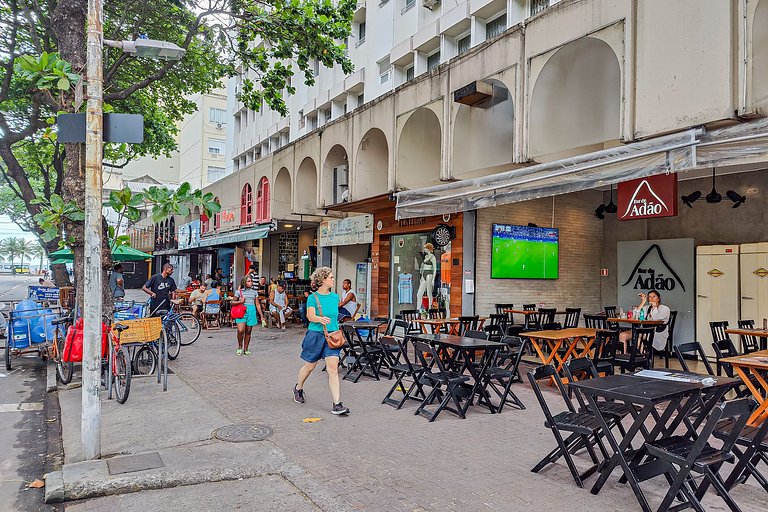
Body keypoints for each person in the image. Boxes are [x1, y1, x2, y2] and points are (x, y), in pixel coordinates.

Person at [292, 267, 349, 415]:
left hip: (333, 336)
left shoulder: (335, 297)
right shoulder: (313, 298)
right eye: (330, 277)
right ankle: (298, 388)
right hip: (316, 335)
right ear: (322, 280)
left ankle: (337, 404)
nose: (333, 279)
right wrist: (320, 319)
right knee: (309, 367)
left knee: (333, 369)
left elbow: (334, 313)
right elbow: (310, 316)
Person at [233, 275, 259, 355]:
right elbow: (232, 302)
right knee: (241, 330)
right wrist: (240, 302)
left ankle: (246, 349)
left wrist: (262, 315)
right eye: (248, 281)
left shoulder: (254, 292)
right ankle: (240, 346)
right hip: (241, 311)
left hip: (251, 311)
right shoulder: (238, 292)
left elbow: (257, 304)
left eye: (251, 281)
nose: (250, 282)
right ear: (244, 282)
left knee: (248, 331)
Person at [415, 243, 437, 309]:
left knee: (429, 293)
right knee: (419, 294)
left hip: (429, 274)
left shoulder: (433, 257)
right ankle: (418, 311)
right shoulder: (426, 257)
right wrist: (421, 277)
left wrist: (433, 279)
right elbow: (423, 267)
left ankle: (430, 311)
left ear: (428, 249)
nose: (424, 249)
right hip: (424, 274)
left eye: (425, 248)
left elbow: (435, 268)